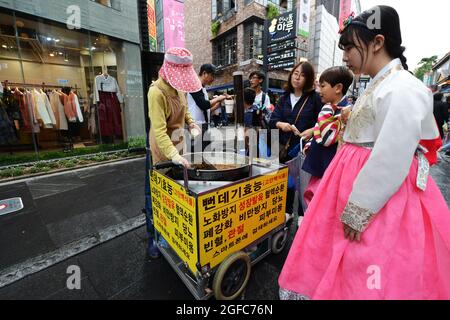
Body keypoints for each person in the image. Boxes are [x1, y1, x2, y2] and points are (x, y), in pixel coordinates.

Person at [279, 6, 450, 300]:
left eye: (349, 47)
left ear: (377, 42)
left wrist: (359, 211)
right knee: (351, 258)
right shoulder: (382, 84)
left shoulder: (403, 88)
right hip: (357, 183)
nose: (345, 56)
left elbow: (392, 156)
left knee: (366, 260)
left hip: (378, 195)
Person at [145, 47, 202, 259]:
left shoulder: (179, 88)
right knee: (156, 195)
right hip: (161, 148)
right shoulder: (156, 92)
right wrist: (173, 155)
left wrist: (192, 123)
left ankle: (174, 234)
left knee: (177, 193)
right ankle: (153, 236)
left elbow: (185, 110)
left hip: (178, 143)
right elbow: (159, 131)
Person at [269, 61, 323, 224]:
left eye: (303, 75)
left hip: (304, 147)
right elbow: (273, 119)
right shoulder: (284, 97)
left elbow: (323, 121)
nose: (298, 78)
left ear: (309, 79)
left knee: (303, 181)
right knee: (287, 180)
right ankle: (287, 211)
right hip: (284, 146)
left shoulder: (314, 98)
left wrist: (312, 131)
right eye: (296, 73)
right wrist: (281, 124)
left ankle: (302, 212)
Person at [302, 66, 354, 212]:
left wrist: (315, 131)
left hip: (327, 167)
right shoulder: (342, 109)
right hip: (328, 166)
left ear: (338, 88)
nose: (319, 90)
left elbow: (325, 138)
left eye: (323, 85)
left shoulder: (335, 110)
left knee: (318, 205)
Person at [187, 64, 228, 150]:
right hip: (196, 125)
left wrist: (218, 104)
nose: (213, 79)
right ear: (204, 73)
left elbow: (206, 109)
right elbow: (204, 105)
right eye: (212, 75)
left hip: (204, 125)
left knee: (205, 152)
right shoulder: (194, 85)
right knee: (197, 154)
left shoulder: (203, 88)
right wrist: (218, 98)